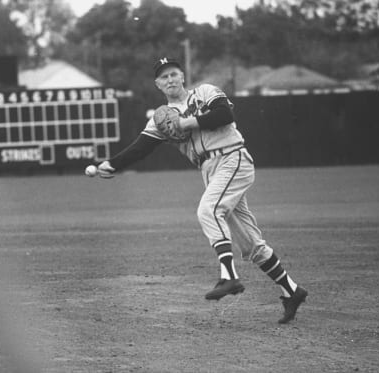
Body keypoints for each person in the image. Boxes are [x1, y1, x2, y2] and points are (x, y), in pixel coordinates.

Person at [95, 57, 308, 324]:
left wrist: (187, 123)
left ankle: (228, 277)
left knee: (209, 210)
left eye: (173, 74)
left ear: (182, 76)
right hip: (210, 170)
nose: (170, 79)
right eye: (164, 77)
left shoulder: (205, 92)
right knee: (251, 244)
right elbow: (140, 147)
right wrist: (111, 165)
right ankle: (292, 290)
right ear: (157, 85)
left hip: (232, 157)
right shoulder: (162, 119)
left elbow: (225, 114)